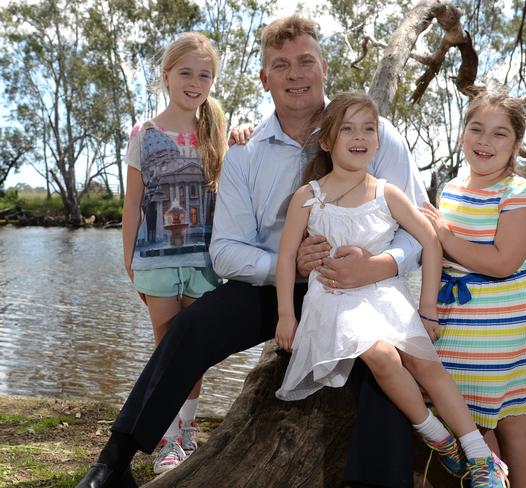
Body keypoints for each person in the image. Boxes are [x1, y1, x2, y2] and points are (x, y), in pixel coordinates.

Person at [77, 15, 425, 488]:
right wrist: (288, 266)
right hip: (271, 289)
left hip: (362, 288)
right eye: (280, 66)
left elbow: (418, 230)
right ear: (265, 80)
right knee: (192, 327)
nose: (295, 74)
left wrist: (381, 264)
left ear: (324, 67)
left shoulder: (374, 134)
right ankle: (114, 461)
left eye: (305, 61)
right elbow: (224, 251)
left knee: (387, 360)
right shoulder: (244, 151)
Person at [274, 92, 509, 487]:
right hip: (333, 298)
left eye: (369, 128)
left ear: (378, 141)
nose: (359, 136)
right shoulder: (308, 197)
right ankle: (434, 433)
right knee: (382, 355)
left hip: (384, 293)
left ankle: (481, 457)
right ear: (327, 141)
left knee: (424, 364)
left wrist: (427, 307)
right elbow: (285, 260)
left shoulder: (387, 193)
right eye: (347, 128)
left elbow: (430, 241)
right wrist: (286, 315)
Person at [420, 89, 526, 488]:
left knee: (509, 419)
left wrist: (443, 235)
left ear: (516, 143)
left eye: (498, 134)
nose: (484, 141)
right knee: (470, 417)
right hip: (459, 317)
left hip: (506, 320)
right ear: (462, 134)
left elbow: (502, 262)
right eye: (476, 129)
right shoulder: (450, 188)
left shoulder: (520, 195)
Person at [121, 32, 228, 474]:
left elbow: (224, 200)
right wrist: (129, 264)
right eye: (186, 72)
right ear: (167, 76)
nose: (195, 82)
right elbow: (132, 205)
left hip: (203, 261)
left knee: (196, 350)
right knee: (166, 351)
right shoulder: (143, 134)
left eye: (204, 75)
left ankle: (186, 432)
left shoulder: (215, 133)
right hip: (156, 262)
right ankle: (164, 441)